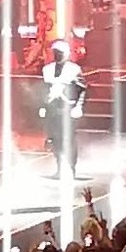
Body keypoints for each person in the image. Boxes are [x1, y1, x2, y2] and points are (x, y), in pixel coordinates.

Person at [40, 39, 86, 181]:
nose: (57, 56)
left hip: (68, 108)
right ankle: (59, 168)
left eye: (59, 53)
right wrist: (42, 106)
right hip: (52, 108)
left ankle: (72, 168)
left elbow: (82, 89)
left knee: (70, 140)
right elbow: (43, 90)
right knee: (55, 139)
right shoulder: (47, 70)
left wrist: (78, 107)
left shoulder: (74, 70)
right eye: (55, 53)